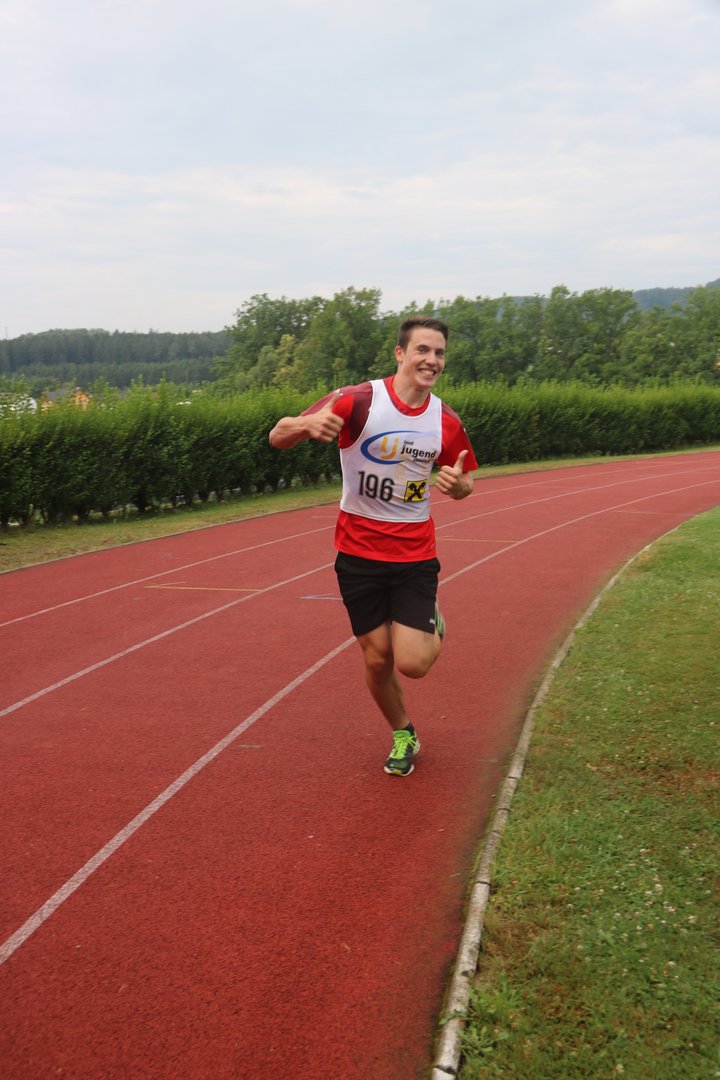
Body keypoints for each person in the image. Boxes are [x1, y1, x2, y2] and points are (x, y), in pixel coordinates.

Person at [268, 317, 478, 776]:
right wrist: (306, 424)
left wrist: (459, 487)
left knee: (413, 663)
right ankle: (403, 732)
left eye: (439, 353)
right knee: (378, 656)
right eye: (423, 350)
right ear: (400, 354)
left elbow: (465, 482)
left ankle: (433, 621)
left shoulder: (445, 420)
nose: (432, 360)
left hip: (414, 556)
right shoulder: (358, 400)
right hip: (357, 555)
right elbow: (277, 435)